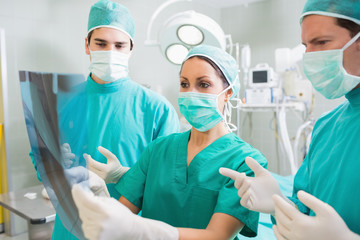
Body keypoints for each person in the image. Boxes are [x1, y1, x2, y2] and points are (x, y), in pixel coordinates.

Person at [72, 44, 268, 240]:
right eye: (184, 84)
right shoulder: (158, 149)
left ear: (228, 93)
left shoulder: (246, 162)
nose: (191, 92)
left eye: (204, 84)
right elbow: (120, 218)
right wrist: (98, 200)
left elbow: (217, 235)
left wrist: (144, 231)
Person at [29, 0, 179, 239]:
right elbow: (40, 163)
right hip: (71, 228)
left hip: (129, 228)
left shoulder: (157, 109)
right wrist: (51, 163)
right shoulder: (57, 103)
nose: (111, 52)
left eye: (119, 45)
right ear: (87, 45)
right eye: (101, 43)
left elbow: (168, 182)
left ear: (131, 48)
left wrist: (124, 176)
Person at [220, 0, 360, 239]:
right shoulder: (326, 127)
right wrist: (278, 203)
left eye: (322, 42)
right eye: (306, 45)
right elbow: (304, 214)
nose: (310, 56)